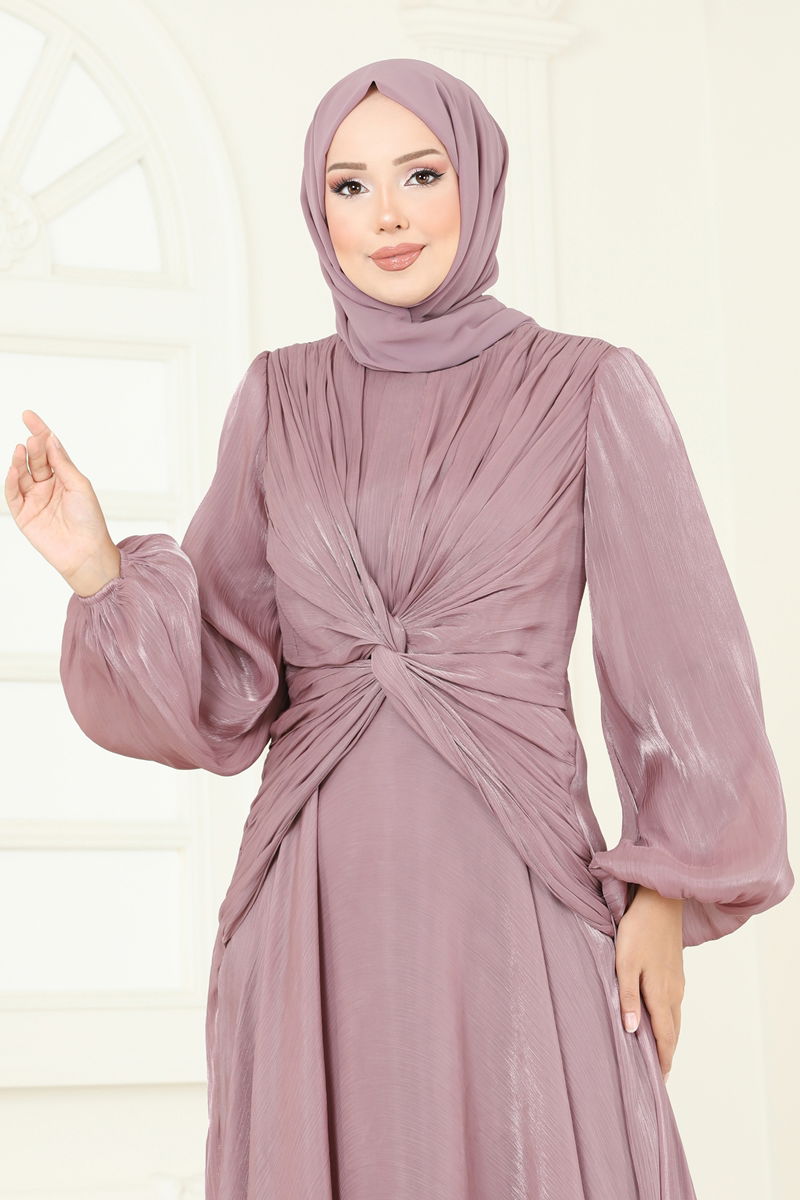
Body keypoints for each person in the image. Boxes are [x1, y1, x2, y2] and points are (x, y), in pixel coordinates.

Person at [5, 57, 794, 1200]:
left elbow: (685, 670)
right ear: (317, 210)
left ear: (476, 179)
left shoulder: (586, 388)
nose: (385, 215)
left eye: (419, 174)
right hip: (316, 902)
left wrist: (662, 895)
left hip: (517, 884)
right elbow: (222, 685)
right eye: (349, 185)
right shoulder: (279, 399)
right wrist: (94, 567)